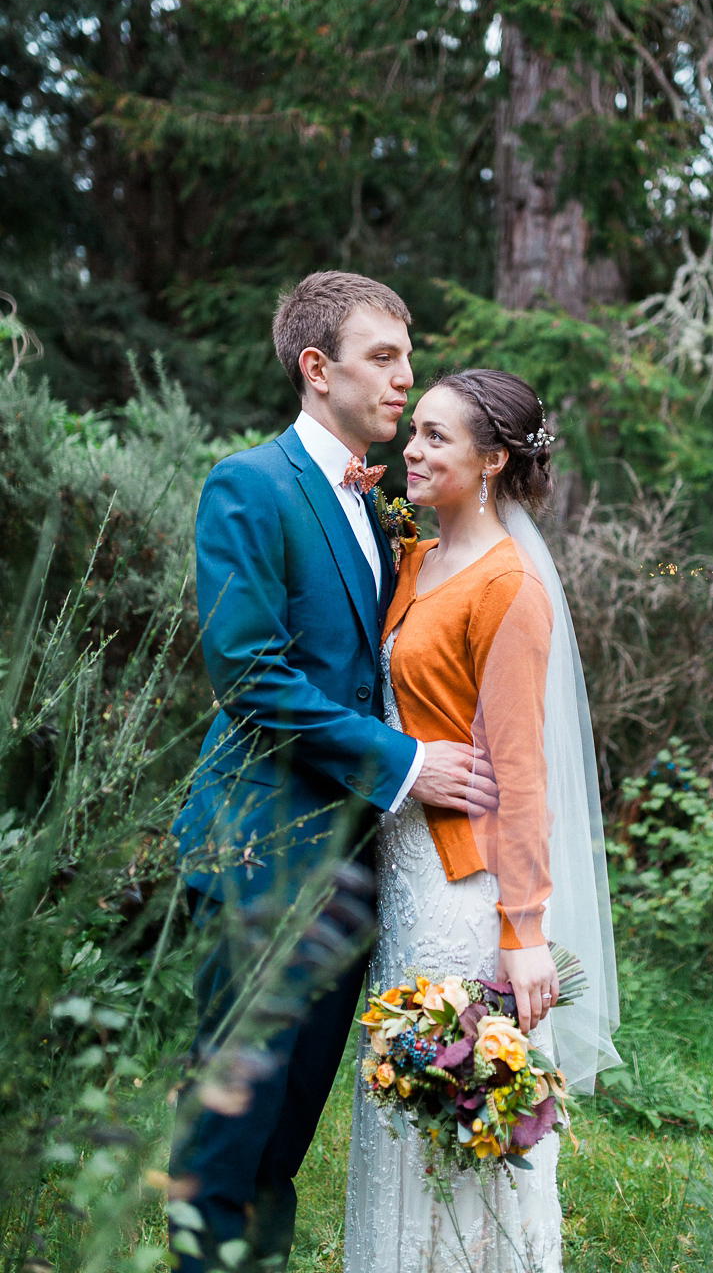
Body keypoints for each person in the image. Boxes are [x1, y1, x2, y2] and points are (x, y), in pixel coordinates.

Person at [168, 273, 499, 1271]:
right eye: (383, 358)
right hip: (262, 858)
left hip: (350, 873)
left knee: (284, 1147)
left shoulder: (373, 501)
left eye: (408, 355)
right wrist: (406, 765)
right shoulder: (249, 485)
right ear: (318, 369)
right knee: (224, 1143)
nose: (407, 378)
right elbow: (251, 678)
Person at [344, 370, 620, 1273]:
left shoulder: (511, 589)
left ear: (494, 460)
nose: (410, 450)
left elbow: (523, 774)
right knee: (401, 1108)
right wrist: (361, 494)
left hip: (464, 893)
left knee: (460, 1120)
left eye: (435, 439)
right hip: (404, 876)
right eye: (411, 432)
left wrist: (526, 931)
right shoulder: (421, 555)